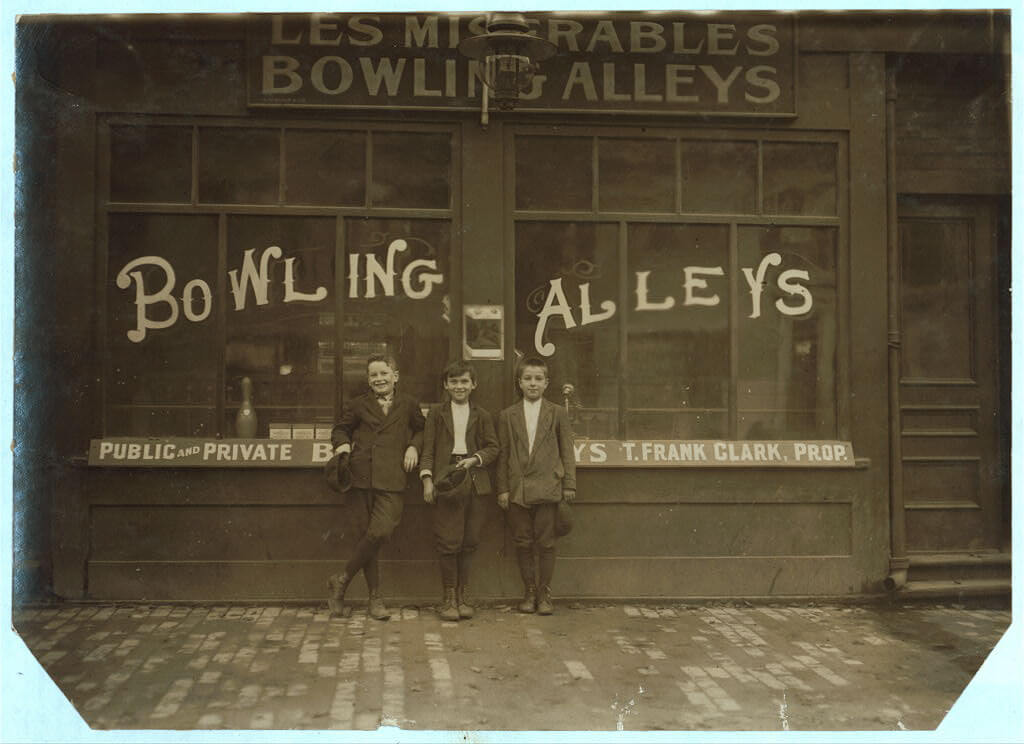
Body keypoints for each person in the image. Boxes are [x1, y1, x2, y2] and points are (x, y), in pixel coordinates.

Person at [328, 354, 425, 620]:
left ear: (395, 375)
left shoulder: (408, 404)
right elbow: (340, 429)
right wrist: (343, 444)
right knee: (366, 536)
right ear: (368, 380)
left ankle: (342, 579)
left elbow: (422, 430)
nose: (379, 379)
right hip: (361, 476)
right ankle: (375, 599)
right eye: (374, 375)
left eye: (384, 373)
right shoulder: (359, 405)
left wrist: (414, 447)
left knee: (380, 532)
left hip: (393, 477)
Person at [495, 356, 576, 615]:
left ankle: (544, 593)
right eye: (527, 379)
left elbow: (567, 452)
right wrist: (503, 489)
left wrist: (569, 486)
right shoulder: (508, 415)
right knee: (523, 541)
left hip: (548, 487)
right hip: (518, 489)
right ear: (519, 383)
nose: (533, 383)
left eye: (538, 379)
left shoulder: (557, 413)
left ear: (546, 383)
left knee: (546, 542)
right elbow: (504, 455)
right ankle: (529, 591)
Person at [420, 361, 499, 621]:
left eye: (464, 381)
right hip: (447, 480)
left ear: (473, 384)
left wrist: (475, 459)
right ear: (445, 385)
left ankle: (463, 596)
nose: (459, 386)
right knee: (448, 540)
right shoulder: (436, 413)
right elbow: (428, 449)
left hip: (475, 479)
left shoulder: (482, 414)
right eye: (453, 382)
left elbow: (493, 447)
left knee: (470, 539)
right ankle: (448, 598)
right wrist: (428, 481)